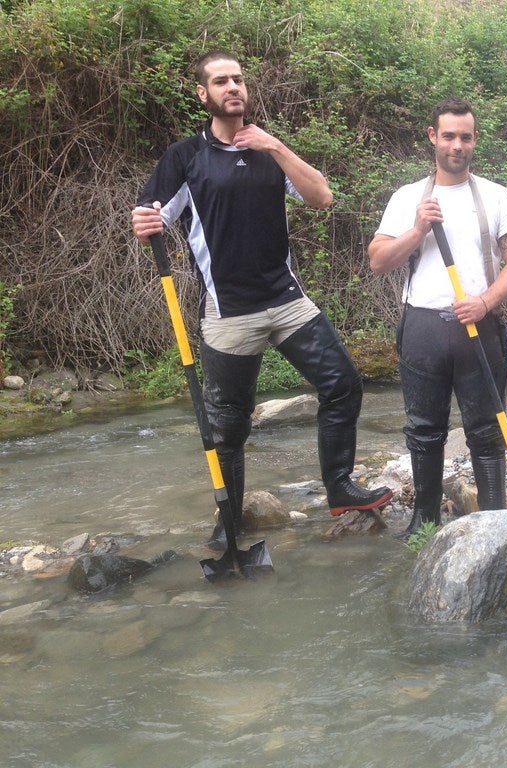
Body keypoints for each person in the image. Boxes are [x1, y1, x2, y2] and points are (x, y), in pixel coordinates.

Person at [131, 51, 392, 551]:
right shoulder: (186, 157)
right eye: (221, 81)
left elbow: (322, 196)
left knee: (343, 384)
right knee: (229, 427)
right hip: (230, 312)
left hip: (287, 300)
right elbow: (151, 219)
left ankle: (339, 488)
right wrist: (142, 224)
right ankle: (229, 524)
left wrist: (277, 146)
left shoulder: (270, 150)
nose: (233, 87)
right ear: (203, 94)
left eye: (239, 79)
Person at [368, 98, 507, 536]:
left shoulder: (496, 197)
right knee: (424, 430)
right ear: (432, 138)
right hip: (421, 327)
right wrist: (417, 230)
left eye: (465, 137)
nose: (457, 145)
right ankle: (425, 520)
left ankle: (494, 518)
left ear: (475, 140)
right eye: (449, 136)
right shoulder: (407, 199)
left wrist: (485, 300)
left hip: (480, 325)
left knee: (486, 427)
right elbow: (378, 260)